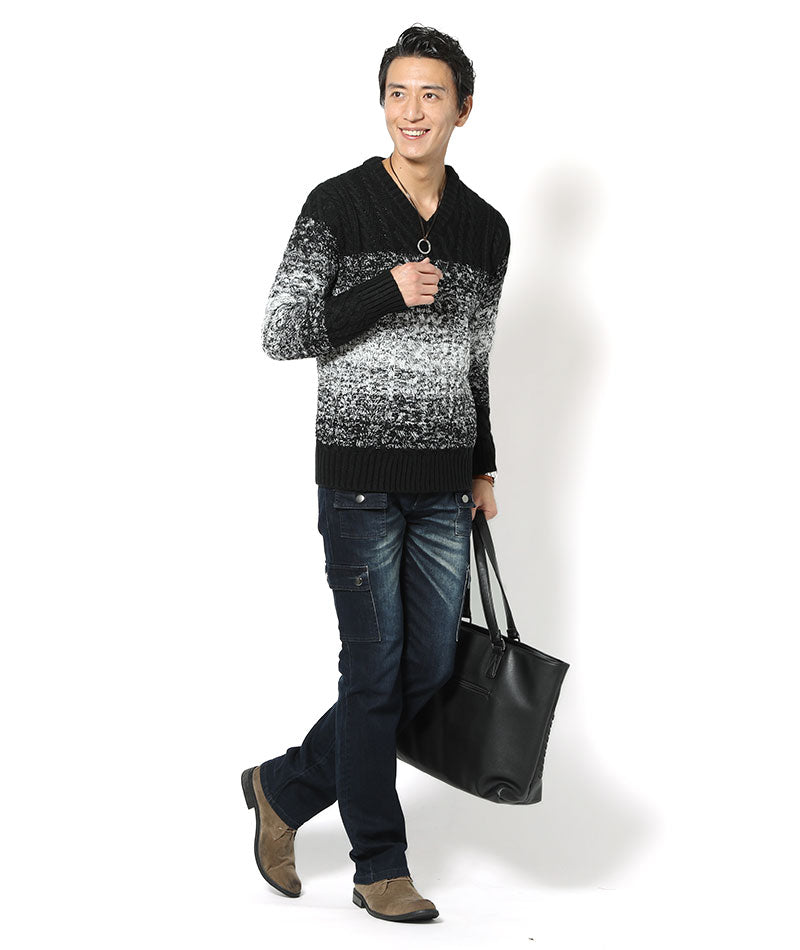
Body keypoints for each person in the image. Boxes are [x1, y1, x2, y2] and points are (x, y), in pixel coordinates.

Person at [241, 24, 511, 923]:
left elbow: (475, 359)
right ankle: (379, 865)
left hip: (444, 487)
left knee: (425, 669)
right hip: (357, 478)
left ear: (462, 109)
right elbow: (281, 333)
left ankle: (283, 788)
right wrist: (383, 290)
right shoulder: (338, 205)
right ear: (383, 104)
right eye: (398, 93)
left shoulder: (485, 229)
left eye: (431, 94)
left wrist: (482, 465)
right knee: (375, 667)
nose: (412, 111)